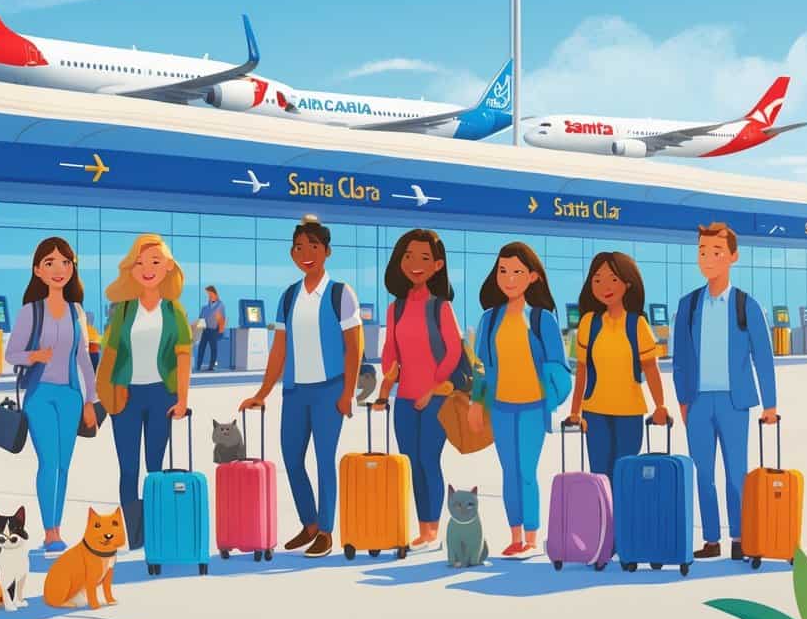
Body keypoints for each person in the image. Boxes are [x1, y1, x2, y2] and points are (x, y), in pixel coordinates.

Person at [240, 215, 362, 559]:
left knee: (324, 459)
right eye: (298, 248)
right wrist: (262, 392)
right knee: (292, 458)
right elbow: (279, 349)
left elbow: (354, 346)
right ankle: (308, 524)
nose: (305, 253)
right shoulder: (289, 296)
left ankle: (325, 529)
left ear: (326, 251)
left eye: (312, 247)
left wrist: (348, 392)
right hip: (294, 392)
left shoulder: (340, 293)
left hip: (329, 390)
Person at [672, 223, 777, 562]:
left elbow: (764, 357)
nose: (708, 258)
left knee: (736, 475)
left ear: (733, 256)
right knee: (702, 473)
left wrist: (770, 404)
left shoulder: (747, 305)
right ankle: (712, 539)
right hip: (699, 402)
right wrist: (683, 399)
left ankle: (740, 536)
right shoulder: (688, 306)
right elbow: (681, 360)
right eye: (703, 252)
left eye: (716, 252)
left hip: (735, 402)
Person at [468, 242, 569, 558]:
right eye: (503, 271)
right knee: (509, 471)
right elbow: (482, 368)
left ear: (533, 277)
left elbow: (559, 368)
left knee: (526, 471)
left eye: (517, 272)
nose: (509, 278)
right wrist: (476, 403)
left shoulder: (542, 319)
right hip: (501, 408)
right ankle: (515, 536)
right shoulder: (489, 319)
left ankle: (531, 536)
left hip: (531, 409)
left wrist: (549, 400)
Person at [97, 234, 192, 550]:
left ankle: (153, 529)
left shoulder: (174, 311)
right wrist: (104, 395)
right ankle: (135, 535)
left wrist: (182, 399)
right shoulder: (123, 311)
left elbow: (182, 357)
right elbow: (109, 353)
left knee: (154, 466)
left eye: (155, 261)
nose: (148, 269)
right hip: (125, 396)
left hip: (160, 396)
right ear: (131, 269)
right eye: (140, 262)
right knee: (128, 468)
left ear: (167, 267)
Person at [5, 237, 98, 555]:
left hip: (71, 396)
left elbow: (84, 358)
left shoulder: (77, 311)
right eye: (50, 263)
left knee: (64, 465)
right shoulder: (31, 312)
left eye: (65, 262)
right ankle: (51, 531)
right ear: (38, 271)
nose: (59, 269)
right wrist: (35, 356)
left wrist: (91, 401)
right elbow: (11, 353)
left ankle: (56, 525)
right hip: (41, 395)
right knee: (49, 462)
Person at [372, 229, 459, 551]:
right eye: (408, 256)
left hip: (435, 398)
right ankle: (423, 527)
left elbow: (453, 352)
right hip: (405, 398)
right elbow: (390, 352)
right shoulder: (395, 308)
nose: (415, 264)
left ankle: (432, 531)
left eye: (424, 258)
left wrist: (434, 387)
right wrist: (386, 382)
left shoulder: (441, 308)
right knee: (410, 462)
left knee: (428, 459)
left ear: (437, 266)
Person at [566, 252, 669, 484]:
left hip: (629, 412)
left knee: (626, 475)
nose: (605, 286)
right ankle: (603, 520)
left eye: (613, 279)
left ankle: (625, 521)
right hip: (595, 411)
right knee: (600, 477)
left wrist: (660, 405)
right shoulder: (588, 323)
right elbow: (582, 370)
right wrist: (575, 411)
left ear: (627, 282)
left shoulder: (637, 324)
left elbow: (651, 369)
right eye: (597, 279)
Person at [195, 286, 227, 372]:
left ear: (215, 293)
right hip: (205, 330)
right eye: (208, 294)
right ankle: (198, 366)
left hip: (214, 330)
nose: (209, 295)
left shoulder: (220, 305)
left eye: (210, 293)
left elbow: (222, 318)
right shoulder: (205, 307)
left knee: (213, 349)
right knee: (201, 347)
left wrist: (220, 331)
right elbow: (200, 318)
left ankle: (211, 366)